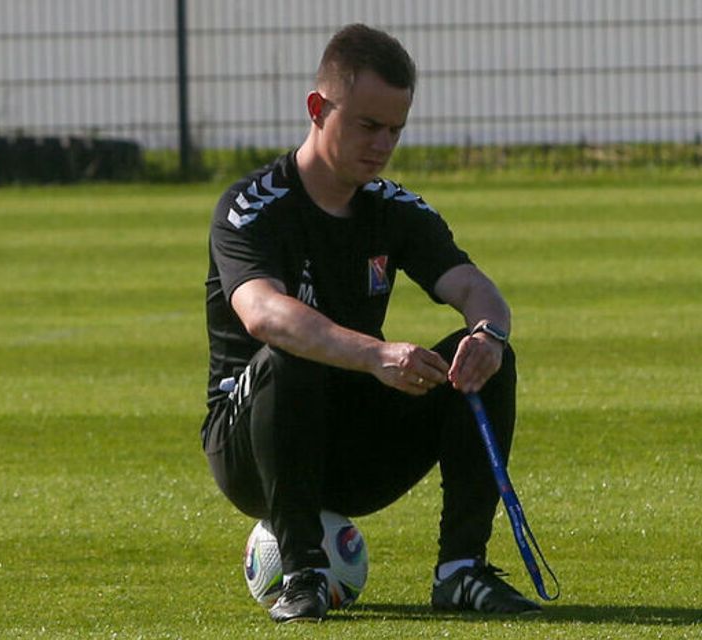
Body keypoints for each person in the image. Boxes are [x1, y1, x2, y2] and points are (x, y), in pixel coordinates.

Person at [201, 23, 541, 623]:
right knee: (292, 347)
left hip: (355, 444)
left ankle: (461, 570)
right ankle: (302, 573)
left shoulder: (394, 209)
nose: (382, 144)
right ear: (318, 108)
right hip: (251, 447)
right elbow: (262, 312)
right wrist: (374, 356)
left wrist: (489, 335)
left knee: (483, 356)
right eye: (367, 125)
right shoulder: (251, 206)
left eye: (395, 130)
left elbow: (474, 288)